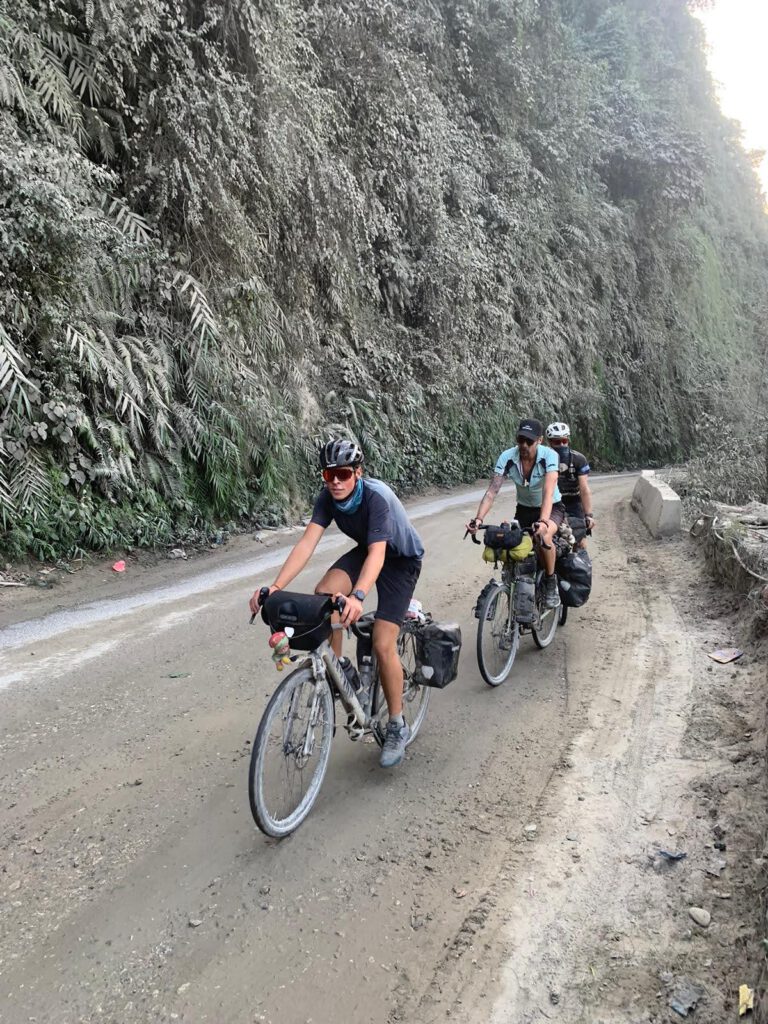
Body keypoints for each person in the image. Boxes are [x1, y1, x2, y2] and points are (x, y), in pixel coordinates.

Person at [249, 438, 424, 769]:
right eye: (329, 475)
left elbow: (378, 554)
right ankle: (340, 666)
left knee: (384, 644)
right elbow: (306, 544)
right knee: (325, 592)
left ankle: (397, 724)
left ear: (358, 472)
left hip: (399, 560)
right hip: (369, 550)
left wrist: (358, 596)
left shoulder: (376, 498)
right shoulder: (328, 498)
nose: (336, 482)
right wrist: (274, 587)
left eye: (343, 474)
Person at [466, 418, 564, 609]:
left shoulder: (549, 456)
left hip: (552, 507)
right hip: (524, 509)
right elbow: (492, 491)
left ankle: (551, 582)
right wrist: (478, 519)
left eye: (529, 441)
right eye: (520, 440)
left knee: (544, 538)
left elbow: (548, 491)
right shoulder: (508, 457)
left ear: (539, 440)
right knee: (512, 545)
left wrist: (543, 521)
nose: (524, 445)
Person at [545, 422, 595, 548]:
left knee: (580, 542)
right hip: (551, 502)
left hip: (573, 501)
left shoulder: (578, 459)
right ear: (550, 442)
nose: (561, 445)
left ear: (568, 440)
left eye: (564, 441)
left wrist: (588, 515)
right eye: (557, 442)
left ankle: (579, 564)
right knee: (546, 537)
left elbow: (584, 489)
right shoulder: (542, 459)